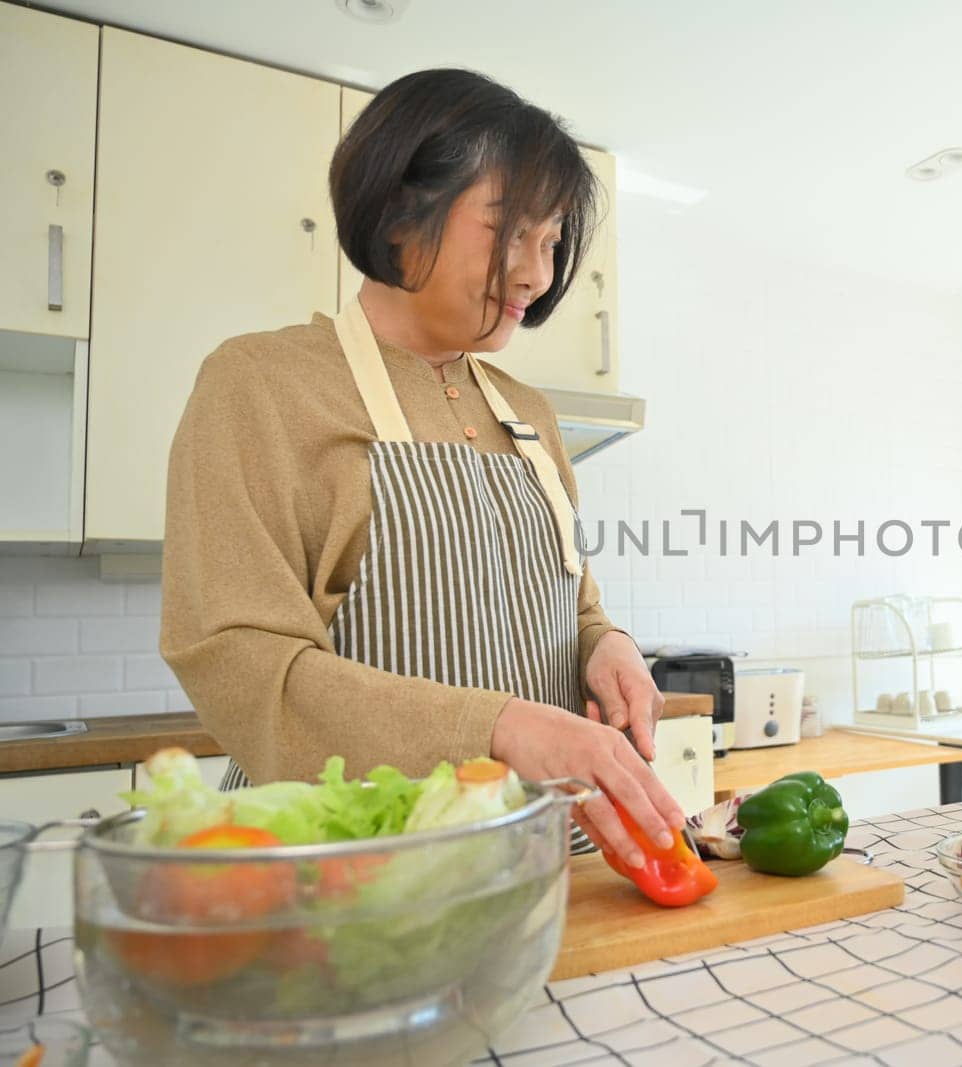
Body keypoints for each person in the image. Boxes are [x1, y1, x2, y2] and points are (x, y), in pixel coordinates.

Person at [159, 68, 681, 867]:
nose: (538, 274)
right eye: (511, 230)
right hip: (347, 871)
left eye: (551, 241)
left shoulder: (529, 415)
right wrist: (497, 726)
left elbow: (571, 603)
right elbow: (242, 661)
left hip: (537, 861)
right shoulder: (258, 384)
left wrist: (605, 644)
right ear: (402, 209)